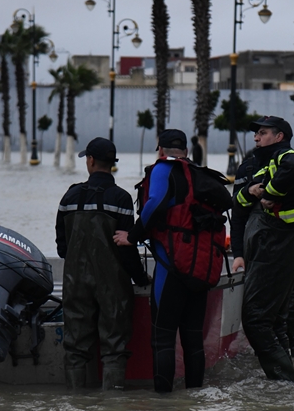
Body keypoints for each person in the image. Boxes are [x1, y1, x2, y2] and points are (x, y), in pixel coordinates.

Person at [115, 129, 227, 393]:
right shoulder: (199, 175)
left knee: (163, 338)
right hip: (200, 269)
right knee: (193, 340)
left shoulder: (162, 169)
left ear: (160, 151)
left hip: (171, 267)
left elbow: (155, 203)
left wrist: (132, 236)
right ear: (186, 152)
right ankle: (194, 398)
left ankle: (163, 405)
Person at [56, 137, 149, 390]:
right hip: (113, 285)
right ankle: (112, 406)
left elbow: (62, 247)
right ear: (112, 164)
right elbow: (127, 248)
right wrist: (141, 279)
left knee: (75, 347)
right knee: (114, 347)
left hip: (75, 282)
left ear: (90, 161)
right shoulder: (121, 199)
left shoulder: (70, 196)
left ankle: (75, 403)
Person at [233, 116, 294, 381]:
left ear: (279, 137)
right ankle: (286, 384)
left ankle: (285, 377)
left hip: (280, 248)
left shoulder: (287, 158)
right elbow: (238, 205)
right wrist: (251, 193)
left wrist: (268, 192)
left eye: (263, 132)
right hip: (263, 249)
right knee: (273, 319)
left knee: (256, 318)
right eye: (256, 133)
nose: (256, 137)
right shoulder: (257, 166)